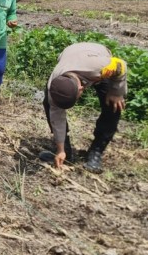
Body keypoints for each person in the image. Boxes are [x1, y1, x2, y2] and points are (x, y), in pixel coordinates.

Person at [41, 42, 127, 173]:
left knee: (114, 105)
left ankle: (96, 151)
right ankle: (66, 151)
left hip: (94, 56)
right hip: (70, 55)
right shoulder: (54, 84)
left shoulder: (100, 68)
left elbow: (121, 65)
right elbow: (57, 117)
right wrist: (60, 150)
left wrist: (116, 91)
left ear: (82, 89)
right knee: (48, 103)